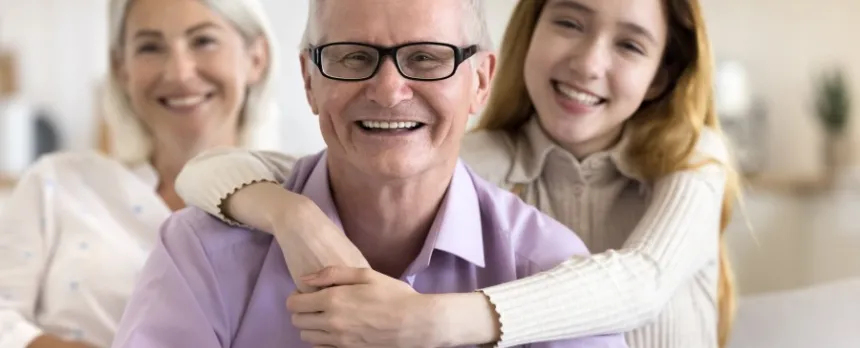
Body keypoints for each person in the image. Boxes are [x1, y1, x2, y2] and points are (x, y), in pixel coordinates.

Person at [176, 0, 740, 347]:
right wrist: (292, 214)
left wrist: (427, 323)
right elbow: (220, 171)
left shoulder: (693, 161)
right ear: (528, 34)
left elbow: (641, 283)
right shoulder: (476, 151)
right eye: (569, 22)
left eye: (630, 45)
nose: (590, 62)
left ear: (662, 77)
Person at [0, 0, 278, 347]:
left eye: (203, 41)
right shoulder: (56, 184)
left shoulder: (303, 202)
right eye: (150, 47)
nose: (179, 73)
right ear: (121, 69)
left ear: (256, 58)